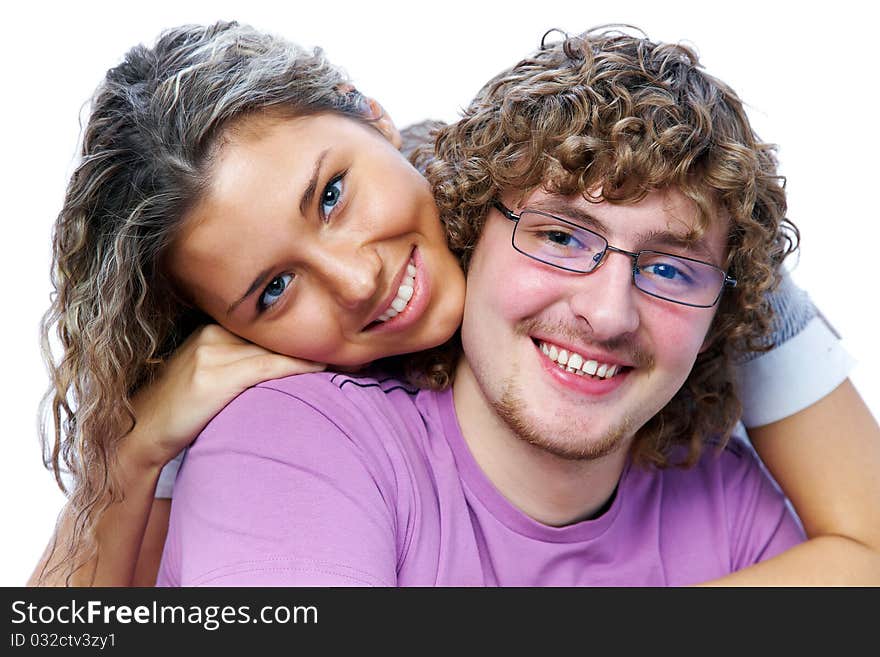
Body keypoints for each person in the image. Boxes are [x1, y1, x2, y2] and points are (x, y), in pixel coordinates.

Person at [31, 22, 880, 586]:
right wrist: (135, 448)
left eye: (330, 196)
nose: (357, 279)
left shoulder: (631, 209)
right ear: (234, 327)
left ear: (377, 121)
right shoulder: (278, 424)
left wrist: (697, 264)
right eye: (275, 288)